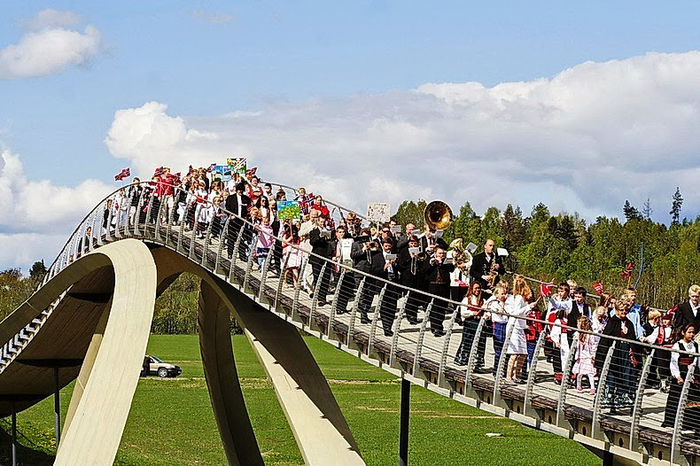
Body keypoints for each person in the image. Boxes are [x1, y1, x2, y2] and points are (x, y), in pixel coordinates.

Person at [595, 300, 642, 411]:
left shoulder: (629, 323)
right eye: (621, 310)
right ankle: (609, 404)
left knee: (625, 378)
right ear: (616, 310)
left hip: (625, 355)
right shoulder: (612, 322)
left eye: (626, 310)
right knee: (611, 379)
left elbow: (633, 339)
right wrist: (601, 357)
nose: (624, 312)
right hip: (614, 355)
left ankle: (622, 403)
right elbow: (605, 340)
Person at [662, 324, 700, 428]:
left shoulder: (695, 345)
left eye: (693, 332)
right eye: (689, 332)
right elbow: (673, 363)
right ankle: (671, 421)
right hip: (681, 373)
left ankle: (690, 423)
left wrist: (694, 373)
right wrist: (678, 376)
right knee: (676, 397)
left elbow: (697, 361)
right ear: (683, 332)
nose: (692, 334)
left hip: (692, 374)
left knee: (694, 398)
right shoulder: (677, 345)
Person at [505, 276, 537, 384]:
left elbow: (522, 313)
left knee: (523, 353)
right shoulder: (518, 297)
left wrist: (528, 308)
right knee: (514, 353)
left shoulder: (521, 299)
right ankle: (508, 376)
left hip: (520, 327)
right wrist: (528, 307)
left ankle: (516, 375)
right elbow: (516, 313)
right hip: (514, 327)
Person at [395, 235, 428, 324]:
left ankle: (415, 315)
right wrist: (410, 258)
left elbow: (424, 265)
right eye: (411, 243)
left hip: (417, 278)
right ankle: (410, 316)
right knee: (409, 297)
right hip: (407, 278)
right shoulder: (404, 252)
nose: (413, 245)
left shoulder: (421, 252)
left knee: (416, 297)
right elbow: (400, 265)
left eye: (415, 243)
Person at [454, 282, 486, 367]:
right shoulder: (467, 299)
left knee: (481, 340)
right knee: (467, 340)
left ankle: (477, 361)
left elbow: (487, 311)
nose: (477, 290)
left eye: (479, 288)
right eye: (476, 288)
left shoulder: (483, 300)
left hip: (479, 323)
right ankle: (463, 359)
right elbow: (463, 312)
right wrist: (472, 313)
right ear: (471, 289)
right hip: (470, 322)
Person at [424, 247, 455, 337]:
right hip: (433, 286)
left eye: (443, 253)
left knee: (442, 307)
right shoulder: (430, 260)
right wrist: (430, 264)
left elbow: (451, 269)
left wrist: (441, 263)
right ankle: (435, 327)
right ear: (435, 253)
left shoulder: (446, 261)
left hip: (444, 286)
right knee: (434, 308)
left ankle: (440, 326)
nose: (441, 255)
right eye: (440, 253)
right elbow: (424, 271)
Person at [308, 214, 333, 306]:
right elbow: (312, 242)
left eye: (324, 222)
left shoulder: (328, 230)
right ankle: (318, 297)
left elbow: (331, 242)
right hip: (317, 258)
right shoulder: (313, 231)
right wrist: (321, 237)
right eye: (321, 222)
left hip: (326, 257)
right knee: (317, 277)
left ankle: (323, 297)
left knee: (326, 278)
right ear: (317, 222)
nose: (322, 223)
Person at [486, 281, 510, 376]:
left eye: (505, 294)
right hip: (498, 325)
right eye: (502, 294)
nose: (504, 295)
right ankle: (496, 370)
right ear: (497, 294)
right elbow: (500, 313)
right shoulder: (494, 303)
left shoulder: (508, 303)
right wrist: (503, 304)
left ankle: (504, 369)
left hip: (506, 325)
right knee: (499, 349)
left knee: (507, 349)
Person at [225, 182, 252, 261]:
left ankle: (242, 255)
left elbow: (248, 208)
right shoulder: (231, 198)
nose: (240, 191)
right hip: (233, 221)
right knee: (231, 238)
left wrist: (247, 216)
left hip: (242, 221)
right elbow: (227, 208)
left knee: (242, 238)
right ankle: (230, 253)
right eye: (239, 190)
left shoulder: (246, 198)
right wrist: (230, 216)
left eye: (241, 190)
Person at [572, 316, 596, 394]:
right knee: (580, 373)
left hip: (588, 356)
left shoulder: (590, 334)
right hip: (580, 356)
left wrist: (593, 354)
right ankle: (578, 385)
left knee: (590, 373)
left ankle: (592, 387)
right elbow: (575, 344)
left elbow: (593, 345)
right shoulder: (577, 333)